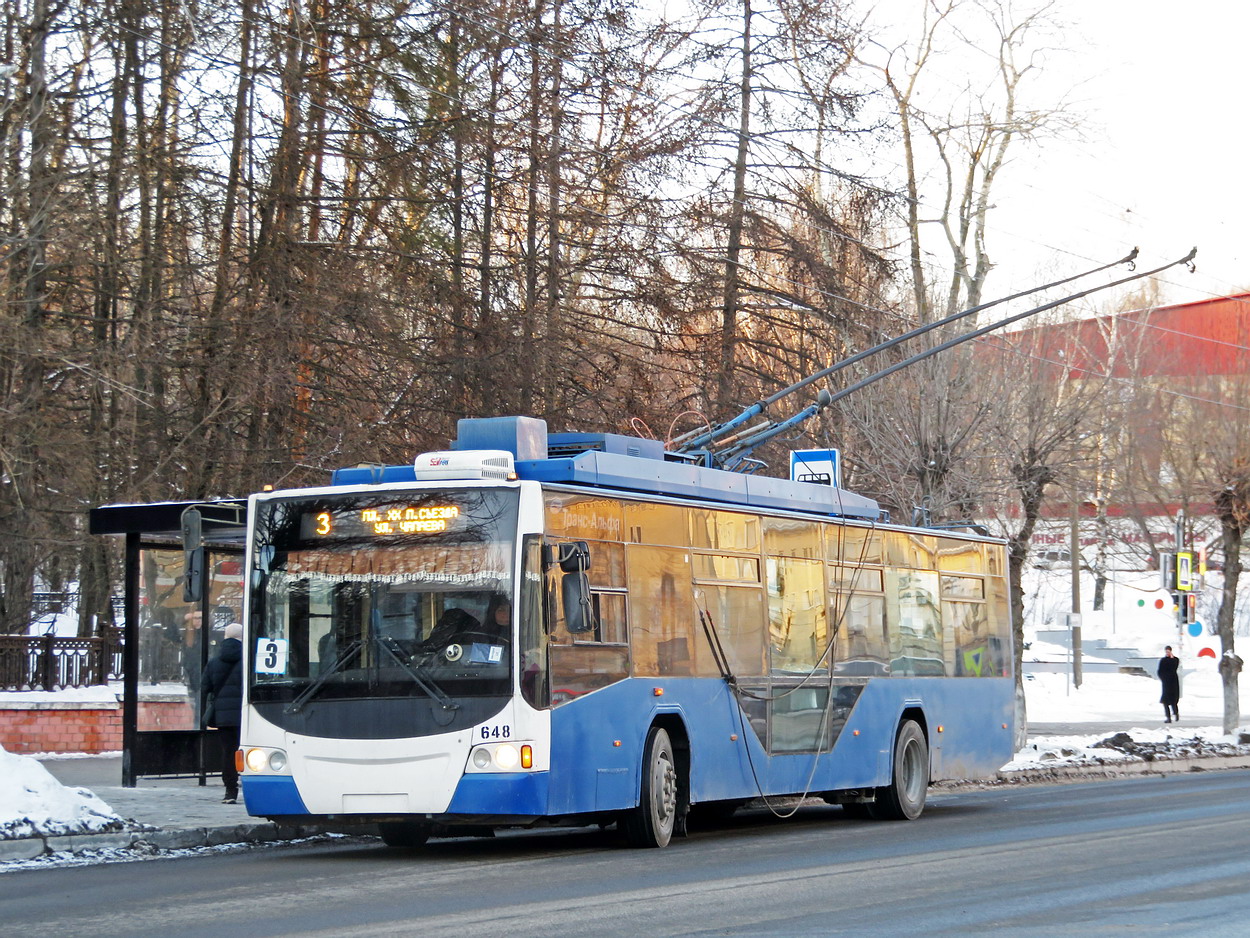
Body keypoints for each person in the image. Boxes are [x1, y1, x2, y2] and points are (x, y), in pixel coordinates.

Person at [202, 623, 244, 803]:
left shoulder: (214, 661)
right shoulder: (249, 659)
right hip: (248, 715)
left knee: (229, 752)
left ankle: (230, 791)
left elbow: (205, 687)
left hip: (224, 717)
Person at [1157, 645, 1181, 724]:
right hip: (1166, 682)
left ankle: (1176, 713)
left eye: (1168, 651)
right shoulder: (1163, 660)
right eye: (1166, 651)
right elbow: (1160, 671)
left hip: (1173, 682)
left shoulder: (1175, 659)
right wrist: (1163, 678)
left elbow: (1175, 665)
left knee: (1173, 700)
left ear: (1171, 651)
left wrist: (1171, 658)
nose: (1167, 653)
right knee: (1165, 701)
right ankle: (1168, 717)